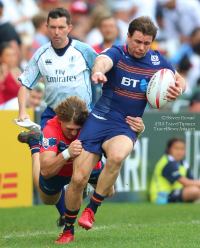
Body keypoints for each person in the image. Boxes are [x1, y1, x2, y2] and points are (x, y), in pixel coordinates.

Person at [59, 16, 186, 244]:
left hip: (126, 125)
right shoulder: (117, 53)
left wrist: (179, 88)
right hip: (98, 119)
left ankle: (91, 210)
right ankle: (67, 230)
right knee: (78, 179)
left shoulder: (158, 60)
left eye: (147, 43)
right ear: (128, 36)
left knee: (117, 156)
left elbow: (179, 79)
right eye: (138, 41)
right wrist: (98, 72)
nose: (141, 47)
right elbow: (102, 62)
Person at [17, 7, 98, 227]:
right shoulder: (41, 54)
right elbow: (25, 83)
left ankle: (75, 201)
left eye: (61, 27)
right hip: (53, 116)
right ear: (46, 28)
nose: (57, 32)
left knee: (99, 181)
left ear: (69, 28)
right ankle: (36, 146)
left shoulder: (83, 50)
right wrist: (22, 110)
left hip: (83, 116)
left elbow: (103, 68)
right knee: (47, 181)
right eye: (52, 27)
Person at [150, 137, 200, 203]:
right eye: (176, 148)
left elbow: (192, 180)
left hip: (173, 193)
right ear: (168, 149)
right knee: (194, 191)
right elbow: (185, 182)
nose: (179, 151)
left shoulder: (183, 163)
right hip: (160, 197)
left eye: (182, 149)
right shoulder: (167, 162)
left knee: (196, 188)